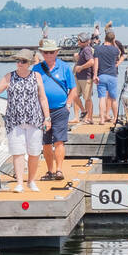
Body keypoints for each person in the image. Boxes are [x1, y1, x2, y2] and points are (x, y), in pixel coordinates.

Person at [0, 49, 50, 193]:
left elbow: (42, 98)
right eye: (18, 61)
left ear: (29, 63)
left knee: (34, 152)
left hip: (34, 119)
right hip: (14, 120)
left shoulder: (36, 76)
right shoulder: (9, 76)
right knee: (18, 152)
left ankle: (31, 181)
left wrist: (47, 118)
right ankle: (20, 183)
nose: (19, 63)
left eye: (23, 61)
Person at [33, 39, 76, 181]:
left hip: (60, 110)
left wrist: (68, 105)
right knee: (45, 143)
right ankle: (50, 171)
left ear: (57, 52)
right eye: (46, 52)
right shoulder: (36, 69)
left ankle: (59, 170)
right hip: (42, 111)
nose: (49, 55)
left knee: (59, 141)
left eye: (51, 52)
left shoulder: (64, 67)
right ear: (42, 53)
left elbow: (73, 89)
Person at [93, 29, 124, 124]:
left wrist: (95, 75)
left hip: (101, 75)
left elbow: (96, 63)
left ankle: (102, 119)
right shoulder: (115, 50)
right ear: (113, 39)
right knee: (113, 98)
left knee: (102, 98)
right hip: (112, 76)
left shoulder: (98, 49)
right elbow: (119, 53)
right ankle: (115, 118)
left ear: (104, 38)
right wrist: (114, 42)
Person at [71, 33, 96, 124]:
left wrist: (81, 67)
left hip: (86, 77)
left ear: (86, 42)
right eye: (78, 40)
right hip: (78, 76)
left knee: (87, 98)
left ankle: (89, 118)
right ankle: (82, 113)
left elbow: (91, 61)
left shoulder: (87, 50)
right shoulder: (82, 49)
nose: (78, 42)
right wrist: (77, 58)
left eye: (80, 40)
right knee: (74, 95)